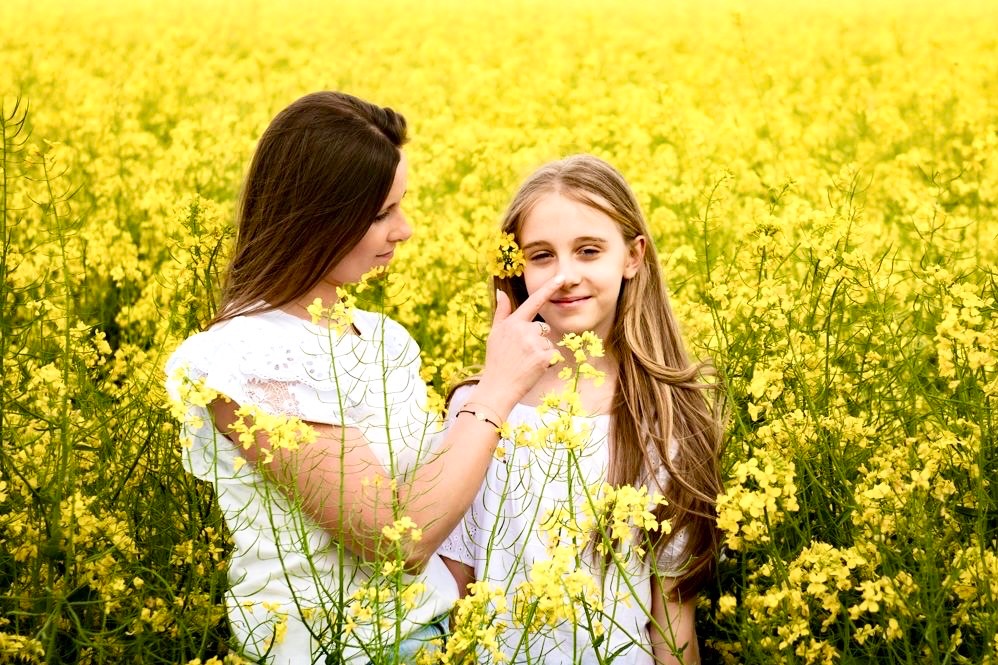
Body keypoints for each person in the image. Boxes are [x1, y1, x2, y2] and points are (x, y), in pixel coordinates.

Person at [164, 91, 567, 665]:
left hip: (430, 637)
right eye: (380, 214)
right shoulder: (243, 359)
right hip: (330, 650)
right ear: (315, 218)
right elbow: (396, 540)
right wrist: (497, 390)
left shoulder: (382, 339)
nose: (404, 230)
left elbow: (437, 488)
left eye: (401, 206)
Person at [439, 155, 725, 665]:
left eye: (589, 251)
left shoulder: (668, 414)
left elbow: (672, 618)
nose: (565, 276)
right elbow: (457, 594)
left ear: (633, 256)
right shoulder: (478, 408)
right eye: (541, 256)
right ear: (517, 268)